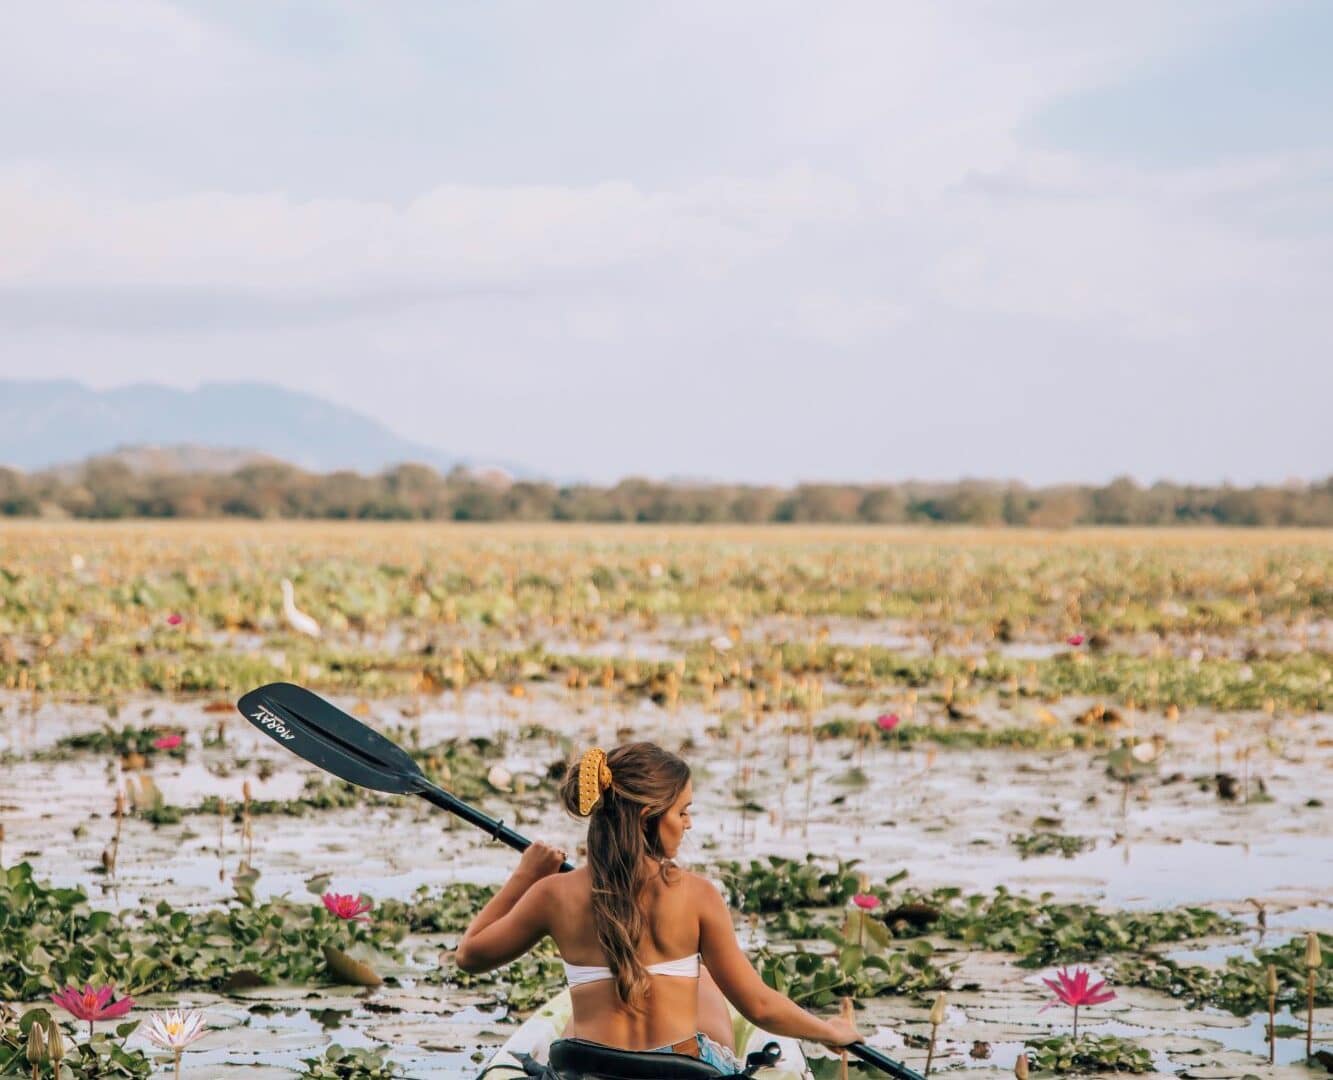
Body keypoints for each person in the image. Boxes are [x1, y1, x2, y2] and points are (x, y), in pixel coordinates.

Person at [455, 742, 863, 1072]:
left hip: (589, 1072)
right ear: (649, 816)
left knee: (576, 1026)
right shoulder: (698, 895)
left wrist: (525, 876)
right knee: (705, 982)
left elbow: (469, 956)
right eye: (683, 812)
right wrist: (828, 1031)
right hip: (681, 1071)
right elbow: (759, 1006)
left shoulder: (553, 895)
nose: (688, 823)